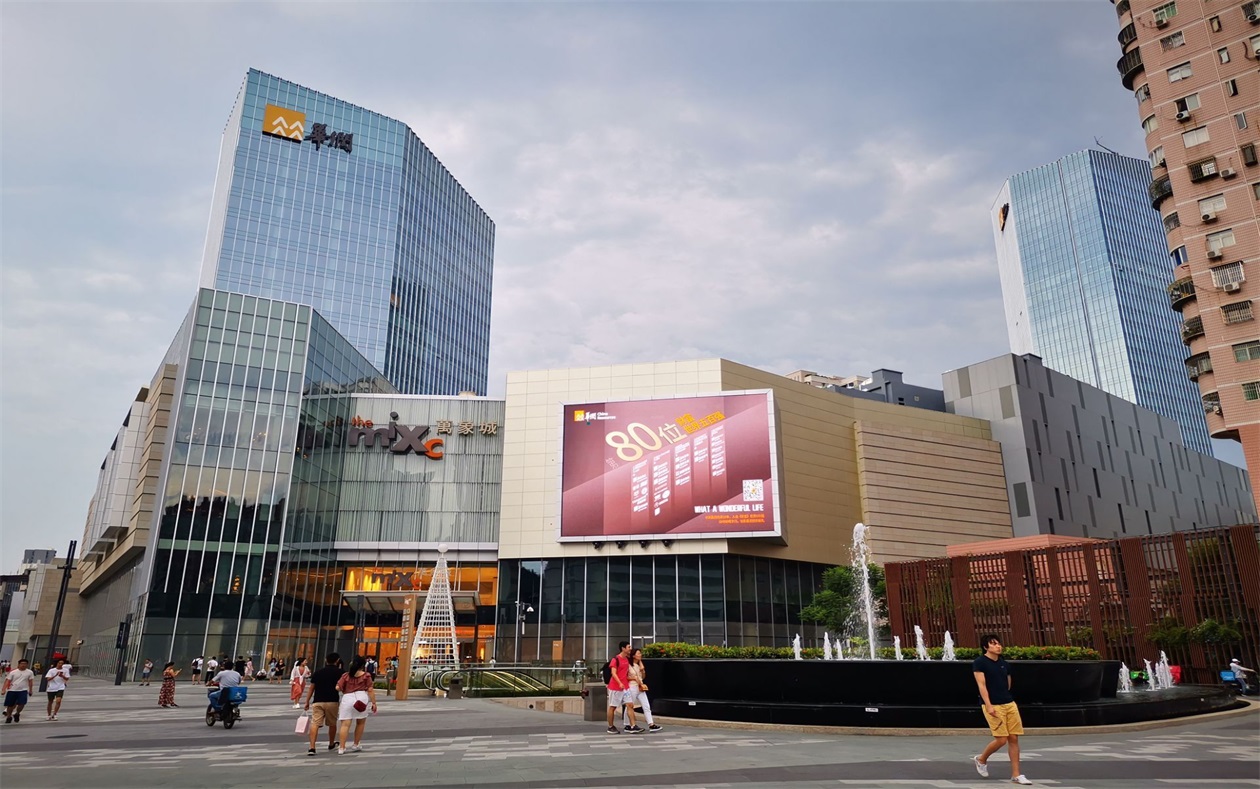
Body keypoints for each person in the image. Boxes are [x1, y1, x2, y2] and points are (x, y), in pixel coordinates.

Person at [972, 634, 1032, 785]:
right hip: (993, 705)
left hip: (1009, 703)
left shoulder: (1004, 663)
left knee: (1014, 738)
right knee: (1001, 739)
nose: (998, 646)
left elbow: (1008, 683)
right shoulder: (980, 663)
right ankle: (981, 759)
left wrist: (1006, 696)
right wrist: (989, 705)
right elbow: (981, 685)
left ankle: (1016, 775)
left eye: (998, 643)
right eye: (993, 644)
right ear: (985, 647)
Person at [303, 652, 346, 756]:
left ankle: (312, 747)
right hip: (332, 701)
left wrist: (307, 701)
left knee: (315, 723)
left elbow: (311, 688)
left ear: (326, 660)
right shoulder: (341, 672)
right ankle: (331, 743)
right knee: (332, 723)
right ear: (337, 661)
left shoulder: (318, 672)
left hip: (318, 701)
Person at [335, 657, 378, 754]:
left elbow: (337, 687)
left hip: (347, 698)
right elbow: (370, 690)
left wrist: (344, 689)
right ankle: (356, 744)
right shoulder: (366, 675)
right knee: (360, 723)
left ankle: (342, 747)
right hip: (361, 698)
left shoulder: (346, 675)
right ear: (363, 665)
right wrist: (374, 703)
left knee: (345, 724)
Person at [605, 641, 642, 734]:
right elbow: (613, 673)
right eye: (628, 647)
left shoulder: (627, 659)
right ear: (623, 648)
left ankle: (633, 726)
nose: (630, 649)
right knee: (613, 707)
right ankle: (610, 726)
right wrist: (619, 683)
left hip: (625, 687)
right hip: (615, 687)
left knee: (630, 705)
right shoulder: (615, 659)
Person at [628, 648, 662, 732]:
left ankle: (651, 724)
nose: (640, 655)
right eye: (638, 653)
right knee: (630, 706)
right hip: (632, 686)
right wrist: (633, 678)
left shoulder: (639, 665)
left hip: (640, 687)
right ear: (633, 655)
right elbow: (625, 677)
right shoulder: (629, 665)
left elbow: (642, 677)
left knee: (646, 705)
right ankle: (627, 724)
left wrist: (642, 670)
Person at [3, 658, 35, 723]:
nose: (23, 665)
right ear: (19, 664)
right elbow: (7, 681)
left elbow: (30, 681)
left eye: (25, 664)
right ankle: (9, 716)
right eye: (22, 664)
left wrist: (30, 690)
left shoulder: (30, 672)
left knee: (22, 703)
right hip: (12, 690)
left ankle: (17, 713)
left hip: (23, 690)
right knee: (10, 705)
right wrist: (3, 689)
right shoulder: (13, 672)